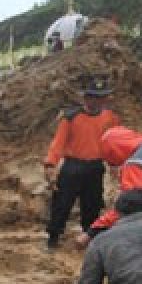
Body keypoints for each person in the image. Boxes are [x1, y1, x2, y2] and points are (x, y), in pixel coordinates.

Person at [42, 76, 121, 250]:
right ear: (86, 98)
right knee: (62, 203)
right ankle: (53, 237)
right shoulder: (71, 117)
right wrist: (50, 165)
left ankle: (89, 237)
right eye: (93, 97)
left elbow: (113, 142)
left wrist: (115, 163)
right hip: (72, 166)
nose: (97, 101)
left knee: (92, 204)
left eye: (101, 97)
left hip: (95, 167)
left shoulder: (111, 118)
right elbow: (58, 143)